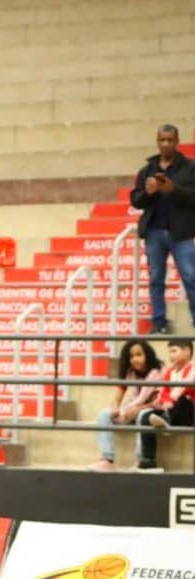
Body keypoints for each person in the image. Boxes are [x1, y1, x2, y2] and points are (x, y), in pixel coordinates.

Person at [129, 124, 195, 334]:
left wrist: (173, 189)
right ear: (157, 141)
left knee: (191, 277)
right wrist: (148, 192)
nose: (165, 144)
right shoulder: (147, 169)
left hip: (181, 232)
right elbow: (136, 200)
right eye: (162, 140)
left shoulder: (189, 167)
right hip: (154, 232)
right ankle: (159, 323)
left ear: (177, 142)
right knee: (156, 278)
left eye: (169, 140)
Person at [89, 339, 163, 472]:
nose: (135, 359)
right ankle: (107, 459)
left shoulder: (158, 373)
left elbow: (158, 403)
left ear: (148, 354)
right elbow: (116, 398)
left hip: (152, 413)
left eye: (139, 355)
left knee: (142, 415)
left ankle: (141, 460)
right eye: (131, 356)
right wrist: (116, 408)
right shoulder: (130, 373)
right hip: (131, 411)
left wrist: (136, 409)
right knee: (104, 414)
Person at [140, 339, 195, 469]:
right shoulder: (169, 372)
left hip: (187, 412)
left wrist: (170, 400)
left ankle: (166, 420)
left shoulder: (193, 369)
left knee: (184, 400)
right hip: (169, 408)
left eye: (174, 351)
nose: (170, 355)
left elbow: (184, 387)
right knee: (145, 417)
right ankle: (149, 460)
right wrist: (162, 402)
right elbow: (163, 391)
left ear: (187, 351)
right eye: (169, 352)